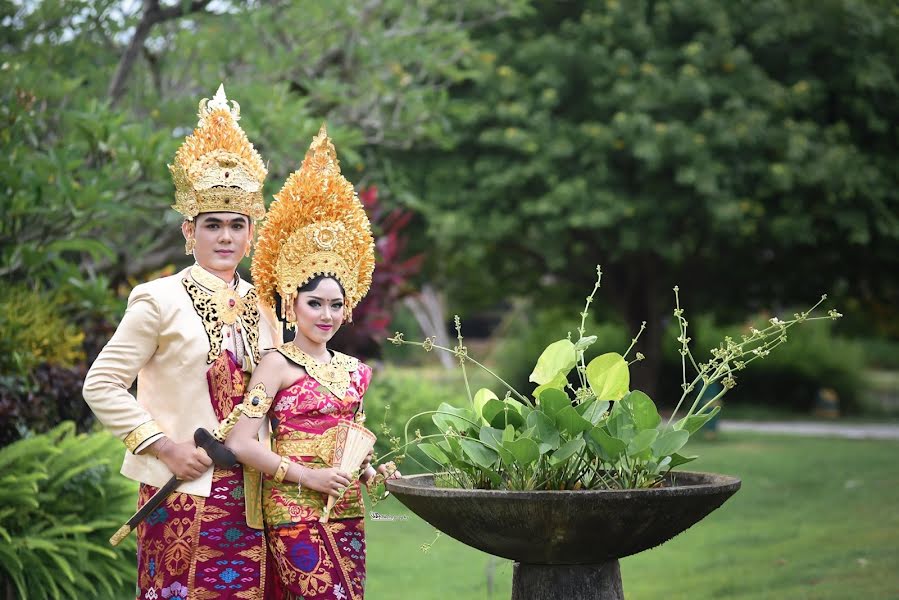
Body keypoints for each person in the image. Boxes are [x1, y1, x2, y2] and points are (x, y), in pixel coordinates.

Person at [82, 85, 279, 599]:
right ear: (189, 232)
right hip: (182, 491)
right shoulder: (158, 298)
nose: (225, 237)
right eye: (212, 225)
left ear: (251, 234)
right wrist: (164, 447)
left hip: (258, 494)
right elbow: (101, 384)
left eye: (237, 225)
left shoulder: (265, 305)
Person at [225, 125, 399, 600]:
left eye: (336, 305)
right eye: (315, 303)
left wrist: (371, 472)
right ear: (291, 303)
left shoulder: (355, 371)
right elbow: (242, 441)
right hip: (292, 512)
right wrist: (307, 476)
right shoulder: (275, 364)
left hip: (346, 511)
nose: (327, 315)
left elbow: (352, 443)